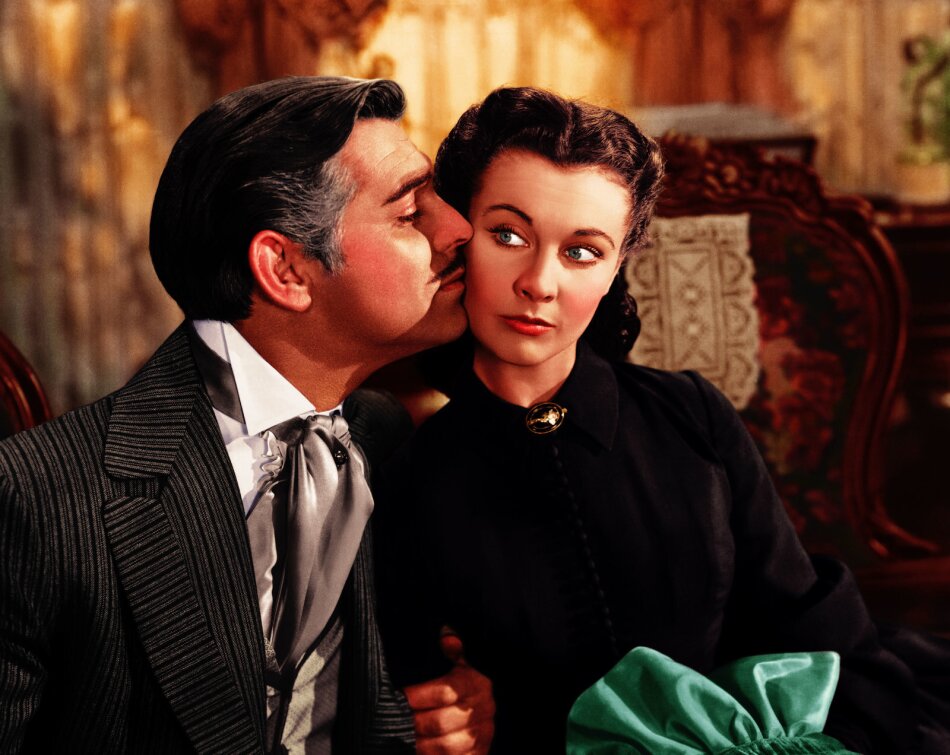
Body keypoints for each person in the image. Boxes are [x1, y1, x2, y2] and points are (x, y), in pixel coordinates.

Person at [373, 86, 946, 753]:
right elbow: (413, 693)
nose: (539, 282)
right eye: (508, 235)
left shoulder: (692, 414)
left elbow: (812, 633)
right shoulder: (410, 471)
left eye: (582, 251)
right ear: (459, 237)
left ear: (617, 266)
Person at [0, 76, 494, 753]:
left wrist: (432, 717)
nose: (460, 228)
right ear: (285, 270)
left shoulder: (383, 436)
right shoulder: (34, 498)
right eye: (411, 212)